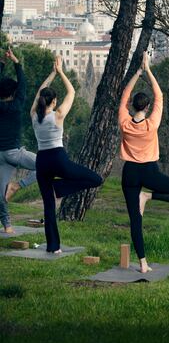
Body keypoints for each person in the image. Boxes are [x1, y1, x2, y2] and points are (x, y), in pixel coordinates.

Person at [119, 52, 169, 273]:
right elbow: (160, 95)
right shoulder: (152, 123)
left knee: (135, 221)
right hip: (150, 172)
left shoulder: (124, 121)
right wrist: (148, 70)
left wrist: (137, 73)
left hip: (129, 173)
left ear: (132, 106)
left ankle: (142, 263)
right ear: (148, 106)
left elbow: (124, 95)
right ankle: (149, 195)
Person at [31, 56, 102, 253]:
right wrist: (60, 71)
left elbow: (38, 94)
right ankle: (60, 189)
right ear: (54, 101)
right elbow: (71, 91)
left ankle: (53, 247)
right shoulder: (58, 114)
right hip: (58, 159)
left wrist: (51, 74)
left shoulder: (33, 115)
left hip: (42, 161)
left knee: (48, 206)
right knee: (96, 179)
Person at [0, 47, 37, 233]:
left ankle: (7, 225)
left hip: (0, 156)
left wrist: (1, 64)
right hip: (15, 153)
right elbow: (23, 84)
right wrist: (15, 62)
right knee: (46, 165)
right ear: (13, 93)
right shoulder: (16, 105)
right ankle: (16, 186)